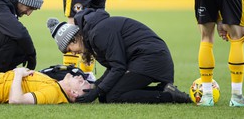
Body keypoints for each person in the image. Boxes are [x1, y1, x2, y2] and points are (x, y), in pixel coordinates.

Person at [46, 9, 192, 104]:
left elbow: (118, 66)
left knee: (113, 96)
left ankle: (168, 96)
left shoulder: (98, 33)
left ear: (74, 39)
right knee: (105, 97)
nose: (73, 54)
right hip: (145, 58)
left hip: (151, 58)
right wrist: (97, 87)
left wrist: (96, 91)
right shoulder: (94, 34)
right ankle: (165, 90)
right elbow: (113, 66)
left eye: (69, 49)